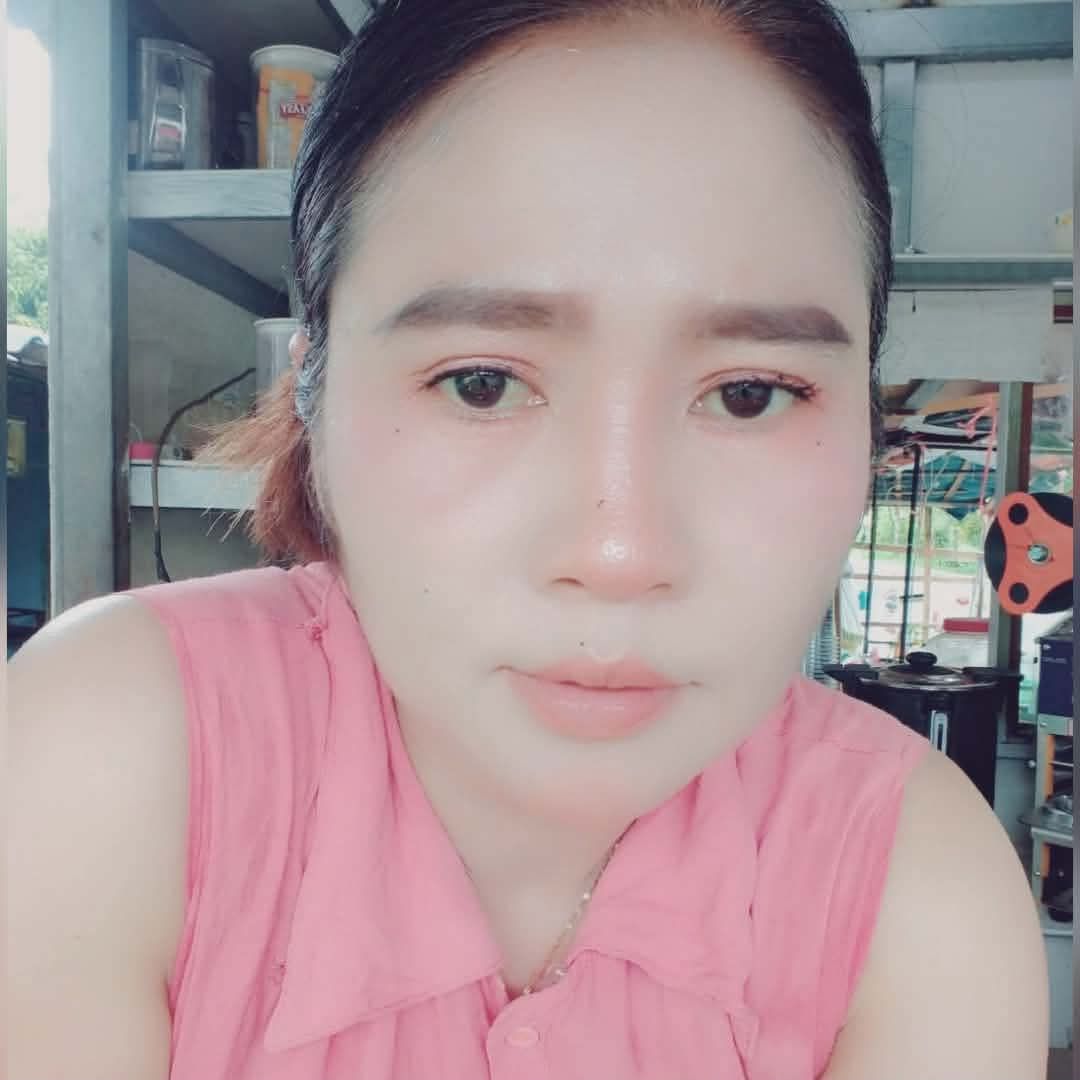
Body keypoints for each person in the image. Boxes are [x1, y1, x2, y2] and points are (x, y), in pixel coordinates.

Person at [11, 2, 1049, 1077]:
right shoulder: (113, 758)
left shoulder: (914, 887)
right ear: (312, 396)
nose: (620, 553)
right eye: (482, 382)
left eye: (749, 394)